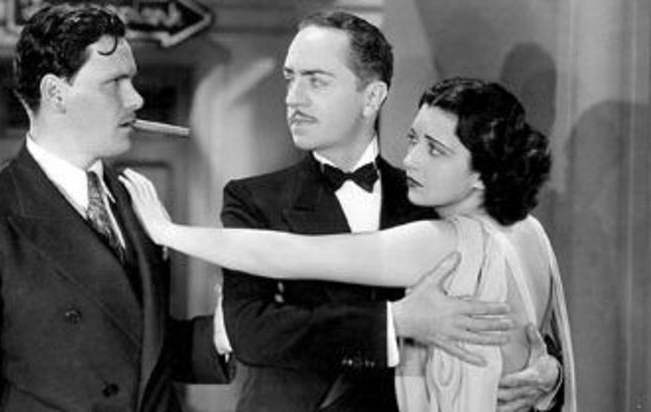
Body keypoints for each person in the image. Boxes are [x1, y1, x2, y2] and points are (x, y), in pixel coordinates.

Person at [121, 77, 577, 412]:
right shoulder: (530, 234)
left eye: (436, 150)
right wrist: (551, 375)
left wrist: (168, 232)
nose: (412, 159)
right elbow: (541, 347)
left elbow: (289, 255)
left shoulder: (445, 240)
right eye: (413, 139)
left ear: (483, 173)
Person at [0, 4, 230, 412]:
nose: (136, 98)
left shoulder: (134, 198)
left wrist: (217, 337)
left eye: (132, 80)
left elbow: (131, 344)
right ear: (55, 93)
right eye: (115, 82)